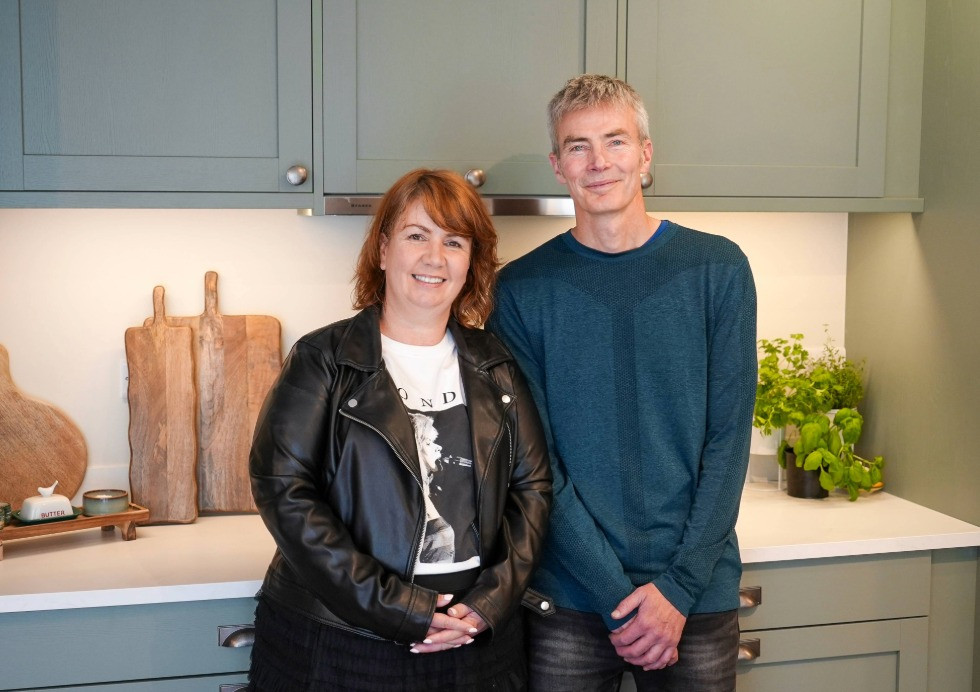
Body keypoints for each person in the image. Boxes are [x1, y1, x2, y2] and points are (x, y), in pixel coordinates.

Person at [486, 74, 757, 691]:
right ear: (558, 165)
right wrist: (616, 596)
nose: (598, 161)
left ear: (645, 154)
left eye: (615, 140)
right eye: (577, 146)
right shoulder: (521, 291)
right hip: (570, 598)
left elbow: (728, 443)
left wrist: (678, 588)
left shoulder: (718, 269)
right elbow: (535, 462)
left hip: (695, 593)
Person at [248, 168, 552, 691]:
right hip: (341, 642)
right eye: (417, 236)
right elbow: (283, 490)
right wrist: (397, 607)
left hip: (476, 643)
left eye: (454, 242)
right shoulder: (323, 359)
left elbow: (532, 489)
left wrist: (489, 602)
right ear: (384, 249)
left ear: (471, 262)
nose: (435, 257)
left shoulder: (495, 363)